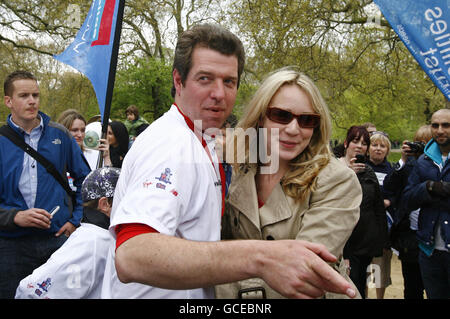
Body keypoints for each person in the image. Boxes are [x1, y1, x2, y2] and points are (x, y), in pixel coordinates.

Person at [100, 24, 357, 299]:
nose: (219, 94)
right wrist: (260, 258)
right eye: (205, 79)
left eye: (229, 82)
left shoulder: (212, 146)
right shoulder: (172, 144)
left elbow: (305, 273)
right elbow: (132, 255)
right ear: (178, 80)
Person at [214, 67, 362, 299]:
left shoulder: (337, 180)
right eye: (281, 116)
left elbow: (302, 272)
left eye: (307, 120)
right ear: (260, 116)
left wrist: (202, 283)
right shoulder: (242, 169)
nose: (293, 129)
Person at [0, 70, 91, 299]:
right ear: (8, 101)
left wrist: (75, 221)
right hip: (11, 246)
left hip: (57, 240)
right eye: (24, 95)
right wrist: (15, 217)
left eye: (35, 95)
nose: (32, 101)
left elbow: (87, 181)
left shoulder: (59, 135)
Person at [15, 167, 120, 299]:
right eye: (124, 197)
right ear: (105, 204)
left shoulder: (105, 236)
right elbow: (30, 291)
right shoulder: (90, 243)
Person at [403, 108, 450, 299]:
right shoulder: (423, 161)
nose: (440, 130)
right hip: (429, 250)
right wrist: (428, 187)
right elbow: (407, 200)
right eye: (435, 125)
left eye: (446, 125)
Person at [339, 126, 388, 298]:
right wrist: (348, 175)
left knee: (360, 287)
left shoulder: (368, 172)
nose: (360, 146)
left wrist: (381, 240)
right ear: (346, 143)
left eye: (364, 143)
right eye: (355, 141)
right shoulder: (334, 168)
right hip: (342, 243)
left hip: (365, 243)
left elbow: (378, 208)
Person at [383, 125, 431, 299]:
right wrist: (403, 161)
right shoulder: (409, 166)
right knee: (412, 288)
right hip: (410, 237)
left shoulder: (441, 166)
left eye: (426, 143)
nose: (421, 147)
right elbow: (389, 186)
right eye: (418, 143)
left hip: (433, 234)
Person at [366, 131, 395, 299]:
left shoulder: (391, 170)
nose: (378, 149)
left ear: (387, 150)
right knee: (364, 267)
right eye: (374, 145)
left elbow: (397, 193)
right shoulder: (362, 168)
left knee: (381, 267)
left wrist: (389, 201)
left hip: (384, 227)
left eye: (382, 146)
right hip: (364, 225)